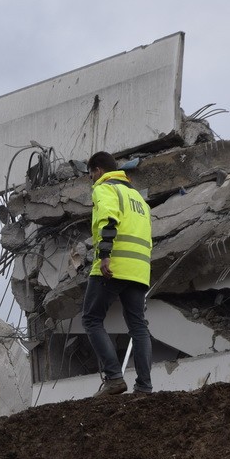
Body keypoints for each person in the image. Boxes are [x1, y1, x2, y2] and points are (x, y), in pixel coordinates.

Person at [82, 151, 153, 397]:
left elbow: (108, 220)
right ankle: (144, 387)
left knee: (91, 319)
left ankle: (114, 378)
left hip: (113, 266)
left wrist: (104, 255)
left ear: (99, 170)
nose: (91, 179)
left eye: (91, 174)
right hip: (140, 270)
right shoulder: (138, 198)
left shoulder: (104, 189)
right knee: (138, 326)